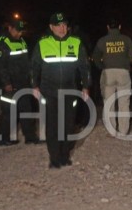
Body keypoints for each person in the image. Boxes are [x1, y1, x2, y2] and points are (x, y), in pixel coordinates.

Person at [31, 12, 91, 169]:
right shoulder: (42, 44)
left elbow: (85, 67)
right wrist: (34, 85)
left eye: (64, 24)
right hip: (48, 92)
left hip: (70, 91)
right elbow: (34, 67)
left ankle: (65, 155)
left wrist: (86, 86)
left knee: (68, 125)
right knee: (52, 126)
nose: (62, 28)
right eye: (58, 25)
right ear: (51, 27)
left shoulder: (76, 43)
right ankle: (54, 158)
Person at [0, 19, 39, 146]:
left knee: (26, 109)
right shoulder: (2, 43)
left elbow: (26, 62)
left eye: (21, 31)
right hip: (10, 84)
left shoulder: (22, 41)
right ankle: (3, 139)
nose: (19, 34)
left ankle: (30, 136)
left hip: (23, 82)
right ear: (10, 28)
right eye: (17, 31)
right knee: (9, 111)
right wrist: (6, 82)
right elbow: (0, 66)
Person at [92, 18, 132, 136]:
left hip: (107, 73)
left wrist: (102, 66)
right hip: (123, 73)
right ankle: (124, 130)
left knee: (108, 102)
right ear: (120, 27)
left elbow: (95, 56)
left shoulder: (102, 41)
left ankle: (112, 130)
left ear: (107, 27)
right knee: (124, 102)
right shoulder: (127, 40)